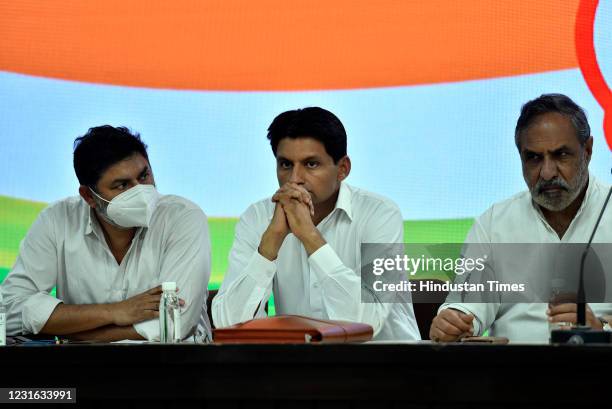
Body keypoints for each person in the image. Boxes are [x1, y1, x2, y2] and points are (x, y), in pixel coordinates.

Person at [212, 107, 420, 340]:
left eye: (311, 164)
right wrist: (271, 242)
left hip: (386, 365)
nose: (295, 179)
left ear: (343, 169)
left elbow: (368, 323)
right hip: (301, 368)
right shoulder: (258, 218)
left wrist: (310, 237)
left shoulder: (380, 214)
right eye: (285, 165)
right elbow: (228, 324)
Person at [0, 126, 211, 342]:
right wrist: (114, 311)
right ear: (88, 196)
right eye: (122, 185)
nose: (141, 191)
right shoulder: (57, 220)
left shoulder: (183, 217)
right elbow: (10, 309)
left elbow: (175, 324)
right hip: (80, 369)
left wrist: (73, 331)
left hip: (175, 367)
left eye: (144, 175)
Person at [430, 94, 612, 343]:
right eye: (534, 158)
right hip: (512, 376)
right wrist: (452, 321)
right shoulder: (495, 224)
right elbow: (467, 306)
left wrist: (601, 331)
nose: (547, 173)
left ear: (588, 150)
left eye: (561, 155)